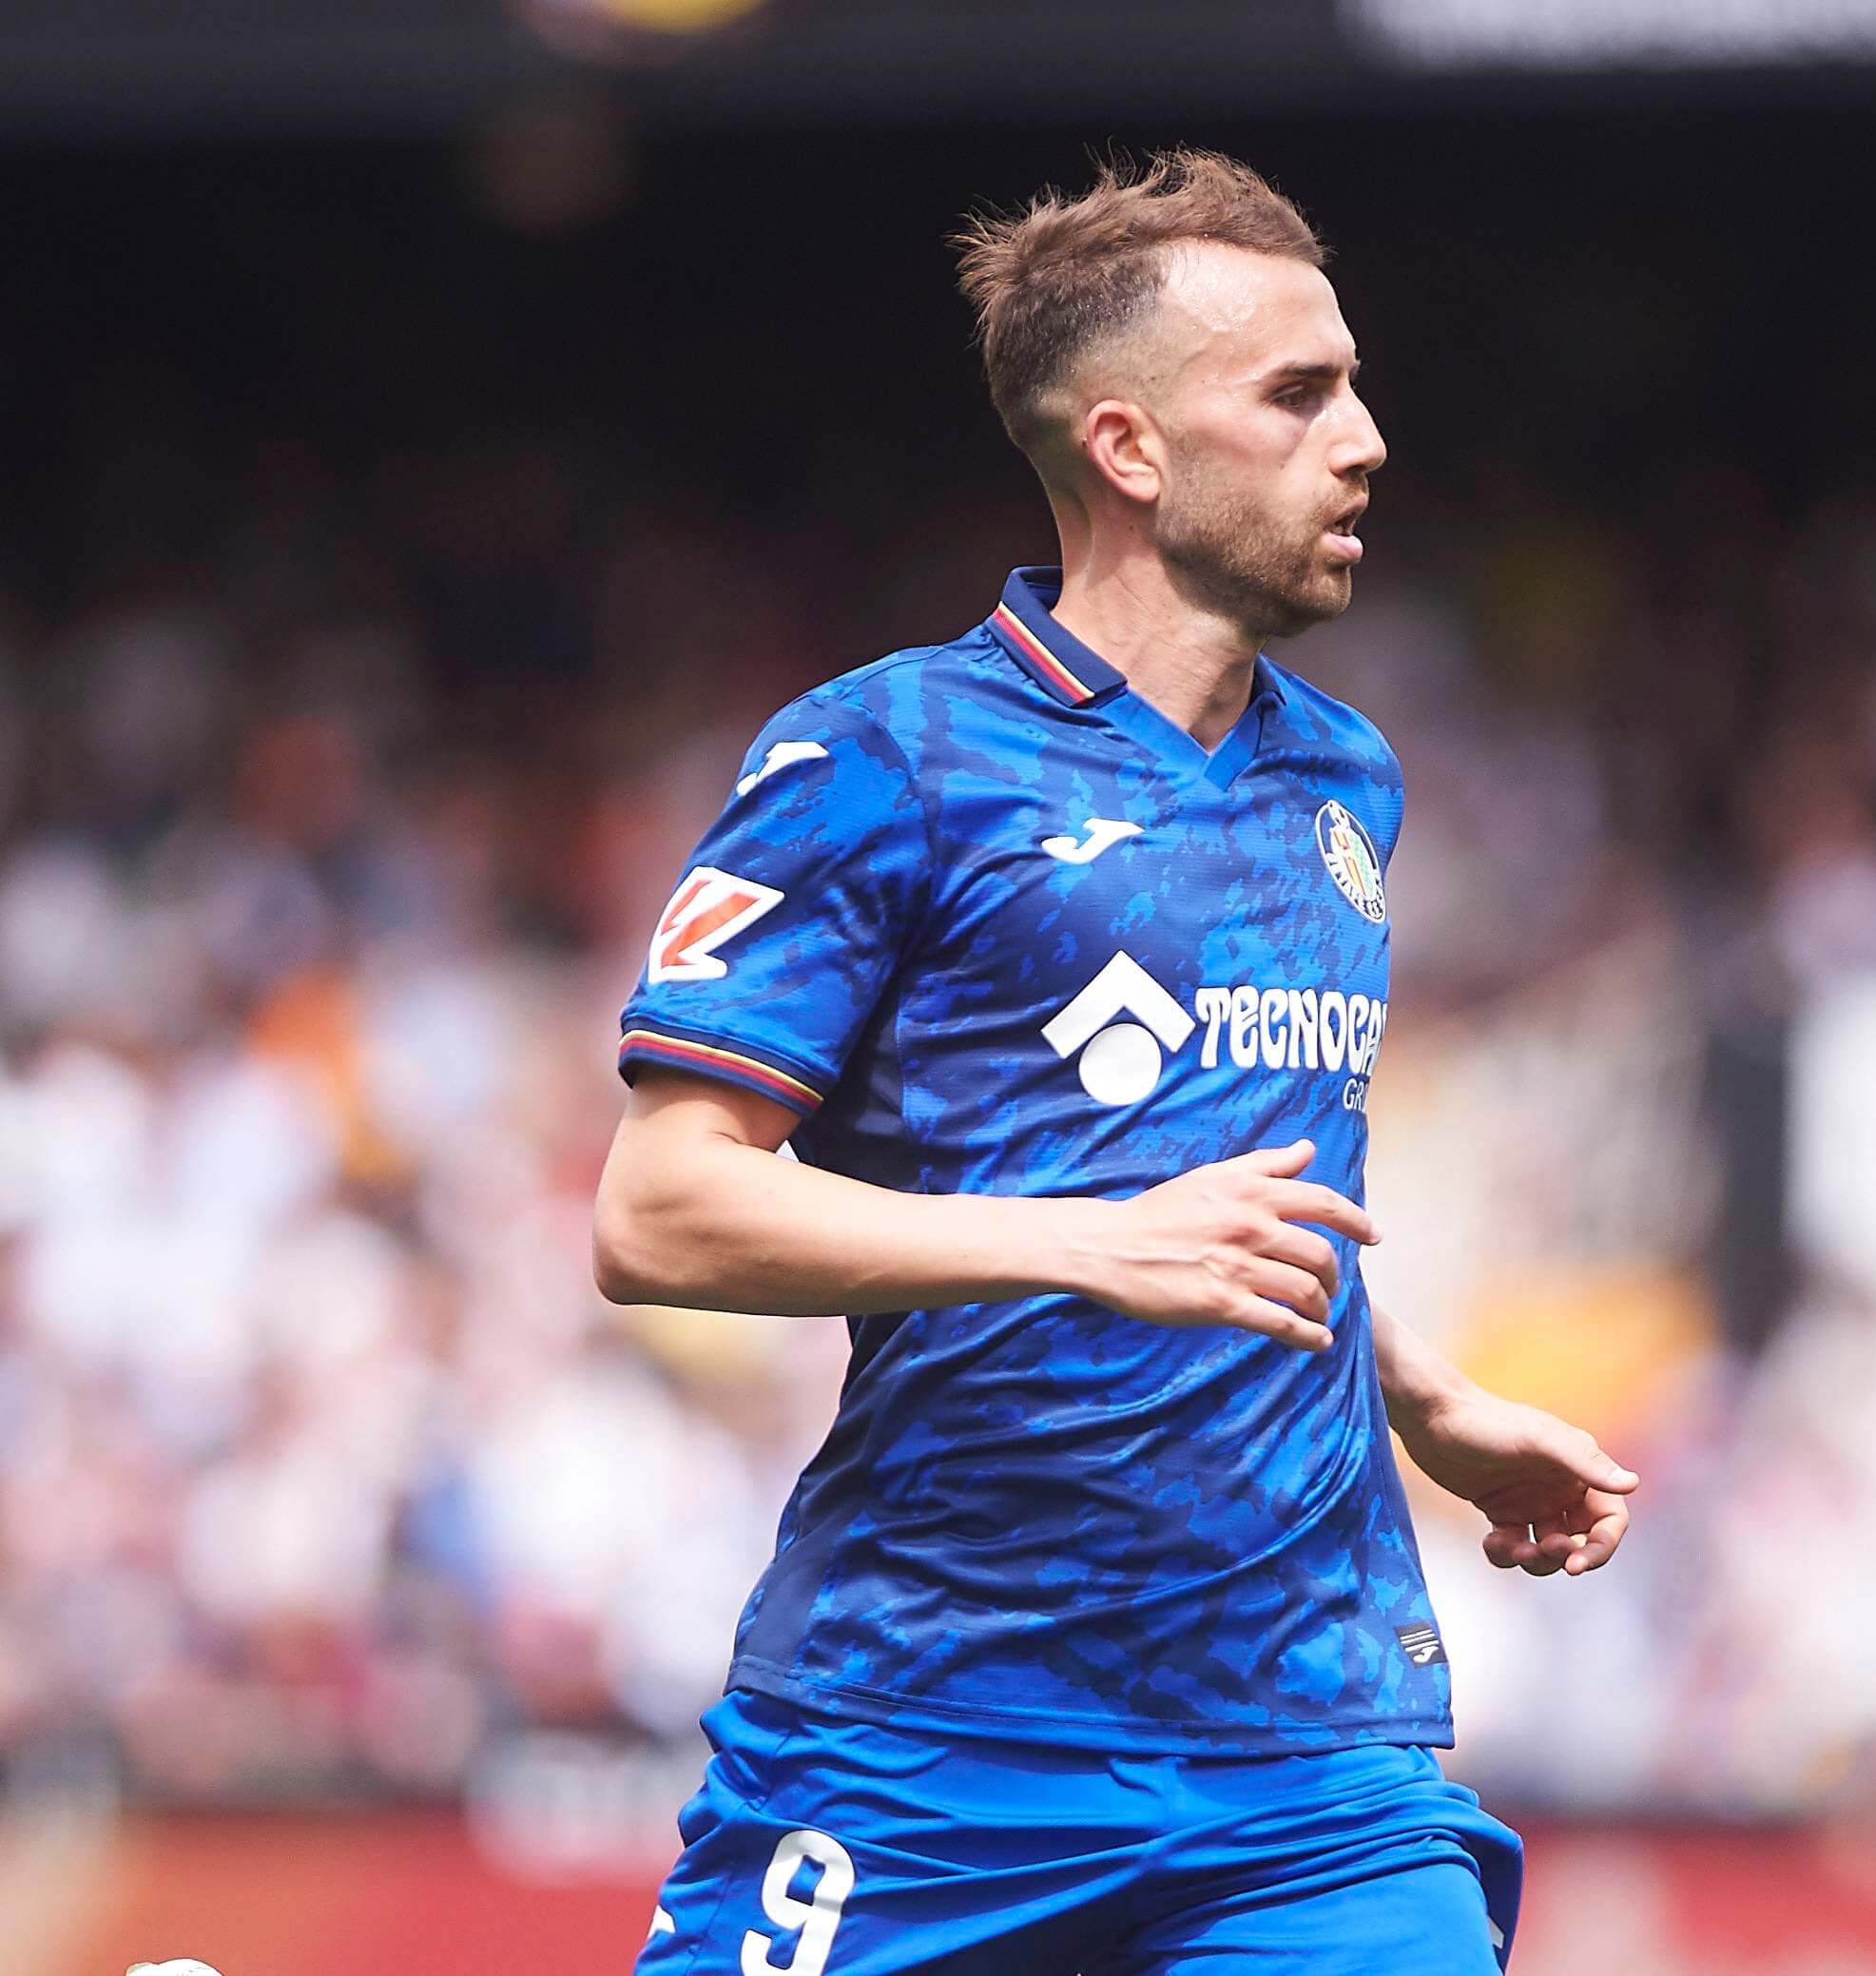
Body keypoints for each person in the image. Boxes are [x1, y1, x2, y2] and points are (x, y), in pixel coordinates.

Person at [592, 149, 1635, 1975]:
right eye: (1300, 393)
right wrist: (1083, 1237)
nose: (1367, 437)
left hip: (1311, 1756)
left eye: (1356, 382)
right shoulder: (883, 756)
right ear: (1132, 449)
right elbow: (663, 1213)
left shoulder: (1348, 781)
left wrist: (1427, 1399)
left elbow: (1231, 1181)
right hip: (930, 1730)